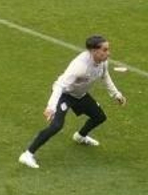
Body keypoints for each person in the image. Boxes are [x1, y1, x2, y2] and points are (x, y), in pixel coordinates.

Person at [17, 35, 127, 169]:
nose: (108, 53)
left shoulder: (103, 61)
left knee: (99, 117)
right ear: (94, 51)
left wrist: (116, 94)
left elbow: (105, 76)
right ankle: (27, 154)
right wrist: (51, 107)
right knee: (56, 126)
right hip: (65, 95)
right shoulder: (79, 66)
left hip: (80, 95)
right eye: (105, 50)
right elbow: (59, 85)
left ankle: (80, 136)